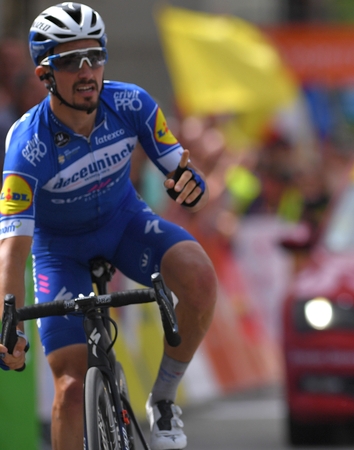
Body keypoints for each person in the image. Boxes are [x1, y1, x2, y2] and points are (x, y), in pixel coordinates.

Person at [0, 3, 217, 450]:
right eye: (69, 61)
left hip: (125, 224)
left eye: (94, 56)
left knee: (199, 275)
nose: (86, 72)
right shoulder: (27, 147)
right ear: (45, 74)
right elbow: (13, 249)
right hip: (58, 251)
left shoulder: (132, 103)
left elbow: (181, 169)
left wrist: (189, 183)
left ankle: (162, 399)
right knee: (69, 386)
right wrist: (7, 322)